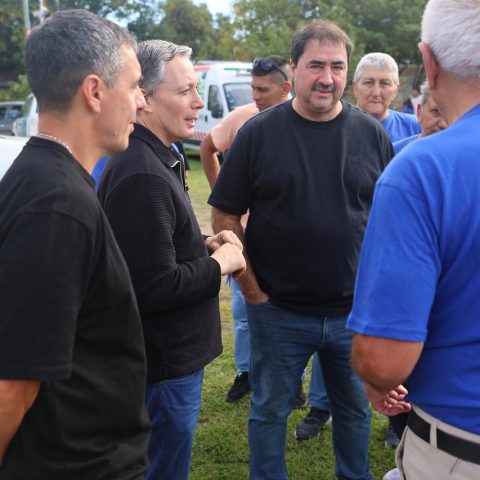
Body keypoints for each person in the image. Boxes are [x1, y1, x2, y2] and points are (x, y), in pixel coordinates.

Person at [209, 20, 393, 479]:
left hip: (352, 314)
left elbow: (388, 220)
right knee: (269, 410)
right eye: (315, 66)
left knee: (354, 411)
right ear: (293, 69)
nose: (326, 78)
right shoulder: (259, 133)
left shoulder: (371, 134)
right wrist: (251, 289)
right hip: (278, 310)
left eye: (337, 67)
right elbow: (225, 215)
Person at [0, 9, 150, 479]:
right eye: (134, 85)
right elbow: (13, 385)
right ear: (94, 91)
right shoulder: (57, 205)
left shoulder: (40, 178)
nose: (141, 101)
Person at [97, 40, 246, 480]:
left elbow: (153, 245)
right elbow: (154, 286)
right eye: (184, 91)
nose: (198, 102)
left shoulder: (159, 155)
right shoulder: (143, 173)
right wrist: (222, 263)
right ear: (144, 97)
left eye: (197, 89)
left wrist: (204, 243)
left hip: (166, 361)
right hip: (163, 367)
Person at [348, 1, 480, 479]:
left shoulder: (423, 170)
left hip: (461, 447)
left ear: (429, 62)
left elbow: (384, 359)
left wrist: (374, 377)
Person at [200, 55, 294, 403]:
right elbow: (208, 146)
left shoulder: (302, 123)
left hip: (286, 240)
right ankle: (245, 373)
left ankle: (291, 380)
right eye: (252, 88)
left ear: (285, 88)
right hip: (244, 236)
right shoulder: (242, 118)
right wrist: (221, 193)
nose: (255, 96)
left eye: (262, 90)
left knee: (287, 312)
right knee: (243, 314)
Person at [352, 52, 421, 143]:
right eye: (368, 82)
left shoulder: (415, 127)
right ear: (355, 88)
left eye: (384, 83)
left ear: (395, 91)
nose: (376, 93)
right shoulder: (338, 128)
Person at [393, 80, 447, 153]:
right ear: (419, 113)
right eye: (436, 111)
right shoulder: (392, 154)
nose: (444, 124)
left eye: (453, 114)